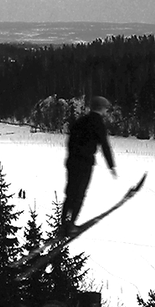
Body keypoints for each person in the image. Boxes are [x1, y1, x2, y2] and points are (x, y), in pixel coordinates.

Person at [61, 96, 117, 234]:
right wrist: (111, 166)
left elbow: (70, 140)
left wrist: (72, 156)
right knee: (79, 194)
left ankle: (64, 223)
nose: (106, 111)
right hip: (84, 163)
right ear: (101, 108)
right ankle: (71, 224)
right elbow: (105, 146)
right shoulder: (98, 124)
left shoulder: (80, 121)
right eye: (105, 108)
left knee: (70, 193)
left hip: (72, 161)